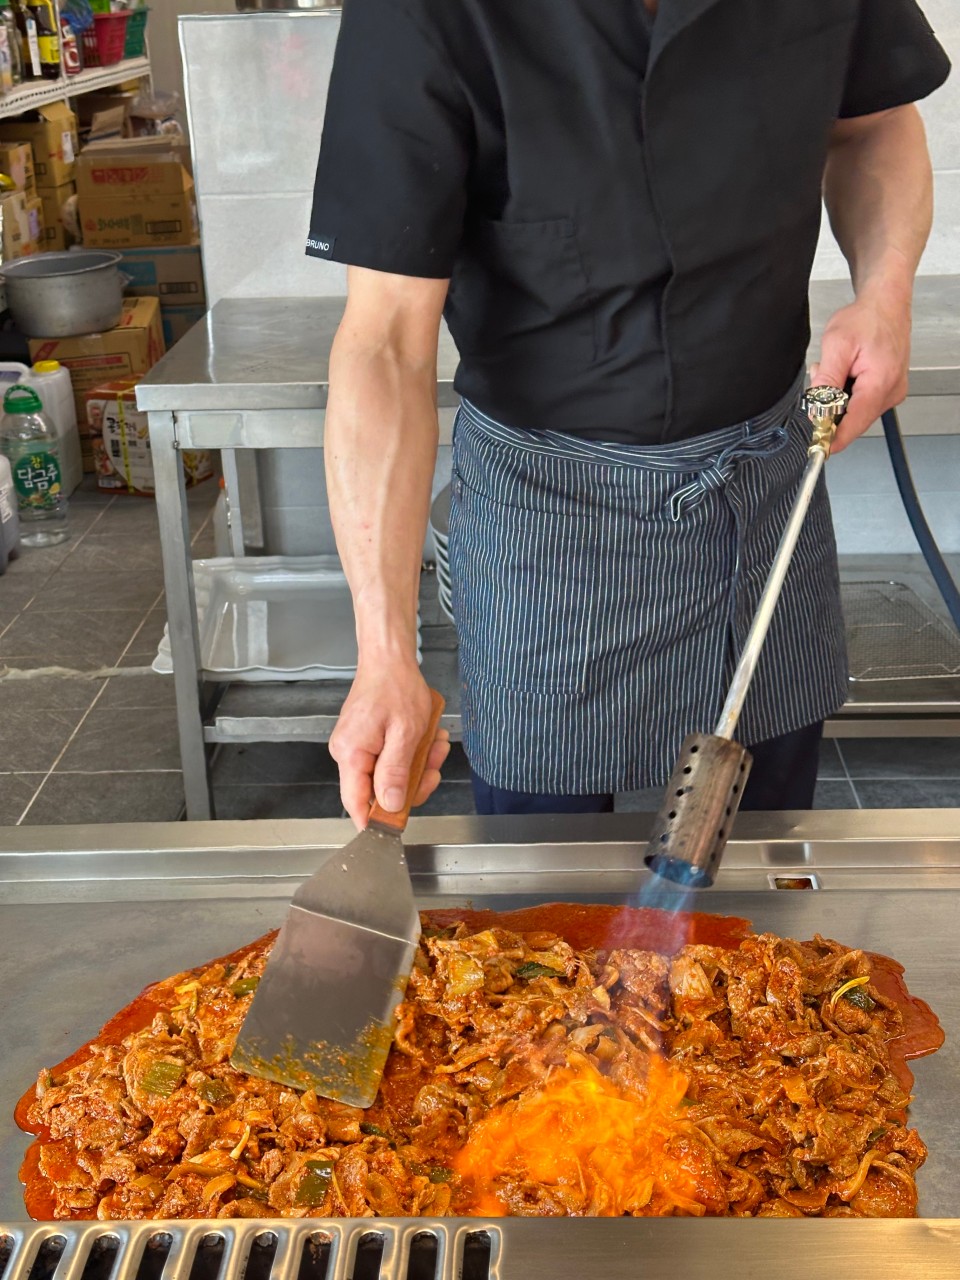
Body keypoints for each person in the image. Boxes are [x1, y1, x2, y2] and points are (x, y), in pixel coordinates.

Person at [306, 0, 950, 827]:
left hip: (765, 485)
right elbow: (385, 342)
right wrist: (384, 652)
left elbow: (874, 126)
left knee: (764, 837)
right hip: (549, 519)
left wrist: (886, 296)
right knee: (541, 858)